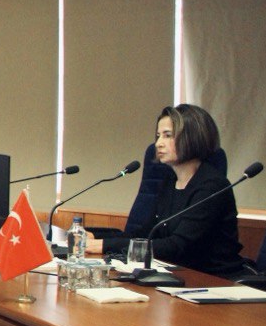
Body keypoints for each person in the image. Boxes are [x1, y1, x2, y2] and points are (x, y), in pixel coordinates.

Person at [90, 104, 245, 277]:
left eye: (167, 135)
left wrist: (103, 245)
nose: (158, 144)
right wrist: (94, 237)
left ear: (192, 137)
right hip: (178, 273)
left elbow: (178, 246)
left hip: (214, 279)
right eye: (158, 136)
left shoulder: (212, 186)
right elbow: (144, 234)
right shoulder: (170, 182)